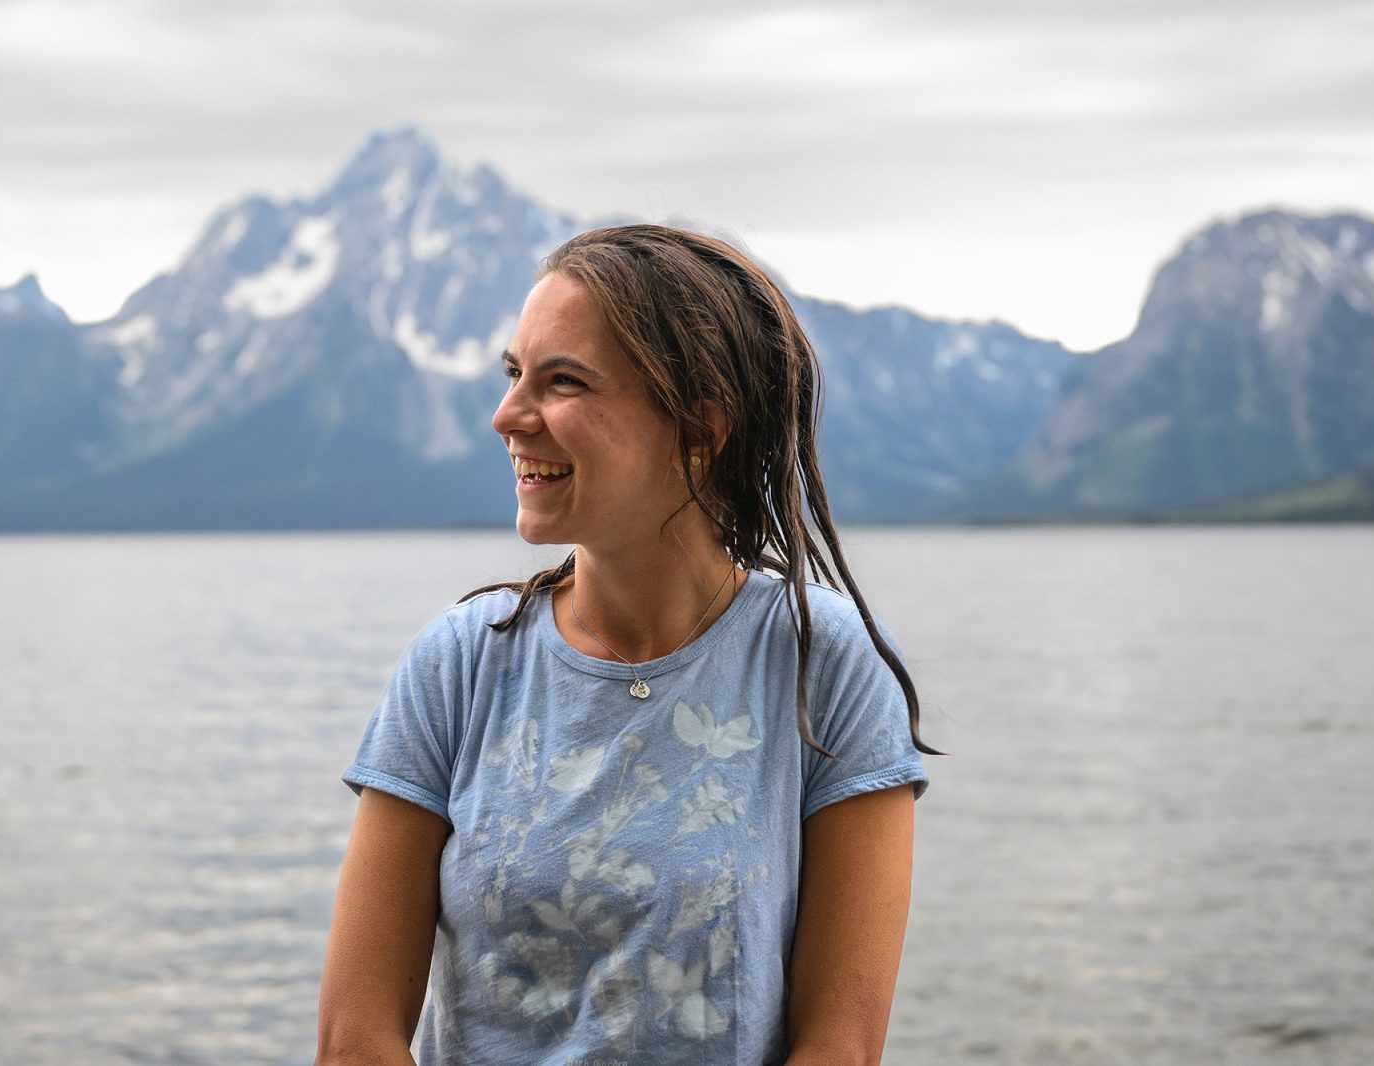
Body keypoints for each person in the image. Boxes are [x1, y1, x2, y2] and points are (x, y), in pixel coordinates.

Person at [316, 224, 937, 1065]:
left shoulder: (824, 668)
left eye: (562, 382)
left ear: (699, 427)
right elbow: (355, 1041)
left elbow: (840, 1047)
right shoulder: (459, 665)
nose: (507, 416)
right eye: (513, 376)